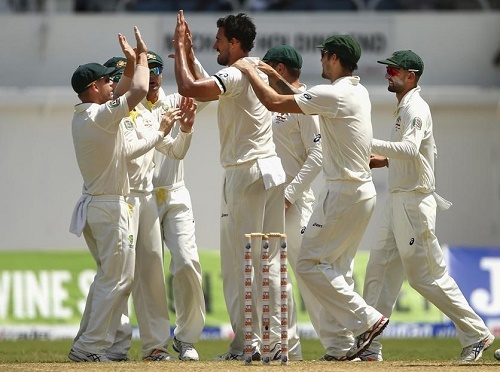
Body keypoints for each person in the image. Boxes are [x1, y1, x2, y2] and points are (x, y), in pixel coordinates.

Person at [232, 34, 389, 361]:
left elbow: (275, 103)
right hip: (360, 192)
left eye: (323, 56)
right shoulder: (355, 91)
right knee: (335, 270)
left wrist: (248, 72)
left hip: (341, 192)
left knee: (308, 264)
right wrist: (276, 78)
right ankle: (356, 347)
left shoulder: (331, 94)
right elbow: (301, 97)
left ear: (333, 58)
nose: (319, 62)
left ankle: (366, 321)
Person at [360, 50, 495, 362]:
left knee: (426, 276)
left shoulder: (416, 107)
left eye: (394, 70)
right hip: (397, 201)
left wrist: (366, 142)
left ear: (412, 76)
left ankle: (476, 334)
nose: (388, 74)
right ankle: (368, 348)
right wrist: (381, 161)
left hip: (413, 204)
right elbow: (414, 154)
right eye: (388, 69)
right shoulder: (403, 108)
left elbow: (408, 149)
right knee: (378, 270)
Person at [173, 10, 286, 361]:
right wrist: (191, 56)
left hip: (246, 173)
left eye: (219, 40)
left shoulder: (237, 72)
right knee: (269, 263)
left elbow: (190, 88)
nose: (215, 45)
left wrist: (178, 48)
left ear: (234, 43)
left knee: (241, 264)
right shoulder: (253, 67)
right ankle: (275, 342)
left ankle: (247, 345)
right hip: (271, 170)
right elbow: (213, 85)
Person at [68, 27, 176, 362]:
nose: (112, 83)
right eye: (106, 81)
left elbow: (129, 86)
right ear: (93, 88)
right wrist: (142, 57)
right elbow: (139, 88)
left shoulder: (90, 115)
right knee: (116, 281)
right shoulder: (100, 117)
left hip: (102, 206)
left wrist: (131, 63)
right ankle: (89, 348)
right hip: (110, 207)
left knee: (110, 279)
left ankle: (85, 344)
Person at [102, 54, 198, 362]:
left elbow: (172, 150)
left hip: (152, 198)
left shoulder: (151, 111)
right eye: (118, 78)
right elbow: (129, 150)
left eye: (157, 69)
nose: (152, 76)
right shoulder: (112, 114)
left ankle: (158, 346)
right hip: (124, 198)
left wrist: (185, 129)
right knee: (121, 275)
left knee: (156, 270)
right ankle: (115, 346)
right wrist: (160, 130)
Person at [142, 49, 210, 361]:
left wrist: (190, 57)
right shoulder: (130, 108)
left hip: (176, 194)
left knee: (186, 263)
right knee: (149, 271)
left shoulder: (175, 101)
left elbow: (209, 88)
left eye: (158, 68)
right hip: (143, 198)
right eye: (148, 68)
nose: (154, 74)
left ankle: (186, 339)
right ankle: (155, 343)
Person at [259, 44, 323, 361]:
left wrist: (290, 193)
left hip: (295, 204)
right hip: (273, 202)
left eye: (267, 69)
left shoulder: (304, 101)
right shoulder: (276, 104)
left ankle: (341, 345)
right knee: (275, 277)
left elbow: (318, 155)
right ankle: (287, 348)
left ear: (280, 69)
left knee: (307, 275)